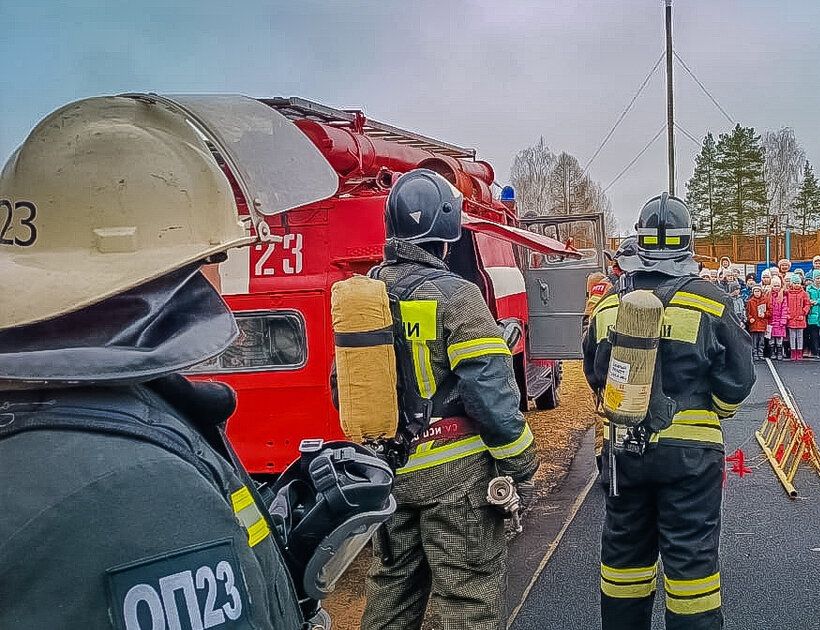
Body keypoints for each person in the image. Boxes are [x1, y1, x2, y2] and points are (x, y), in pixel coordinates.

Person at [0, 97, 315, 628]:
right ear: (178, 266)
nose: (220, 278)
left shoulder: (49, 412)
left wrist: (266, 556)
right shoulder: (138, 488)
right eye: (216, 256)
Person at [346, 169, 540, 630]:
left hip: (390, 475)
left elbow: (347, 385)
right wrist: (521, 464)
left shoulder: (366, 299)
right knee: (468, 601)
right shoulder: (458, 297)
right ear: (449, 237)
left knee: (391, 597)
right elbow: (491, 397)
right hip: (457, 481)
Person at [584, 193, 755, 630]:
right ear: (688, 242)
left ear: (639, 241)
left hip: (623, 453)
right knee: (692, 566)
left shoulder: (608, 304)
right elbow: (739, 379)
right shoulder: (712, 302)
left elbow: (596, 374)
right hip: (691, 457)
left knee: (623, 561)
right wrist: (715, 410)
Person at [786, 273, 811, 361]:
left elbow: (807, 304)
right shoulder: (787, 293)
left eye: (798, 283)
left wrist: (804, 312)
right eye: (795, 283)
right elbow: (785, 304)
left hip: (800, 317)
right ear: (791, 283)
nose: (797, 285)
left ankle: (800, 351)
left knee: (800, 336)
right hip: (791, 318)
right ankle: (793, 352)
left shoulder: (804, 293)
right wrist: (787, 313)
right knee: (792, 336)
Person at [768, 276, 789, 360]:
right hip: (770, 321)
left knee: (779, 338)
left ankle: (779, 352)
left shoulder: (783, 297)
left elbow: (784, 309)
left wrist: (783, 320)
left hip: (780, 321)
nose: (776, 288)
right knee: (771, 338)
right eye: (774, 286)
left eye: (778, 286)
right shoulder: (768, 296)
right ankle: (772, 352)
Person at [747, 285, 770, 361]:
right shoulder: (750, 301)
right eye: (755, 291)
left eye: (758, 291)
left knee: (761, 340)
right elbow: (747, 312)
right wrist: (750, 318)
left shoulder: (765, 300)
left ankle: (760, 353)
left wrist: (765, 314)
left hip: (762, 324)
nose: (757, 293)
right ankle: (755, 353)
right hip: (754, 324)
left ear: (761, 292)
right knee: (754, 340)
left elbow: (770, 311)